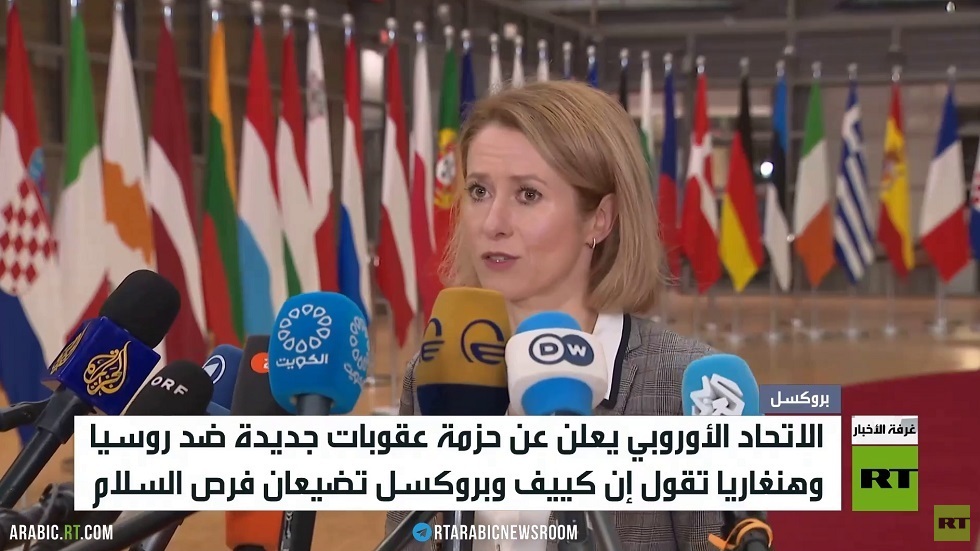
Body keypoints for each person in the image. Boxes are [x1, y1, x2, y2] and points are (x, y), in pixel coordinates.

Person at [384, 80, 724, 550]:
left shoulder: (687, 388)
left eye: (528, 195)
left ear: (599, 219)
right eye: (479, 191)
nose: (492, 223)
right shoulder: (434, 375)